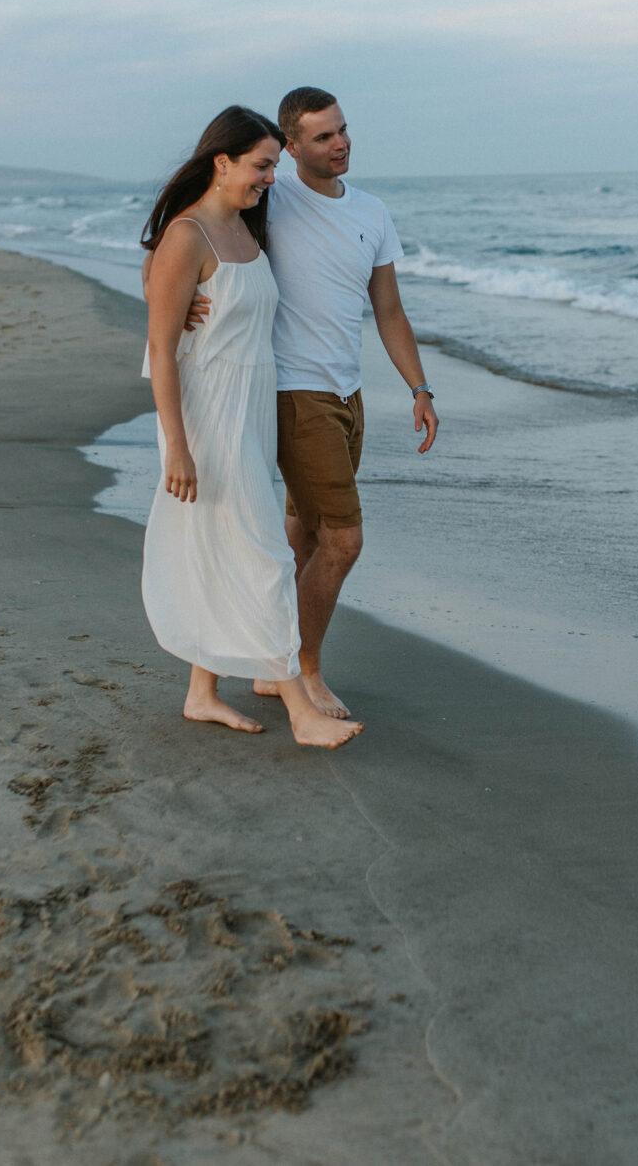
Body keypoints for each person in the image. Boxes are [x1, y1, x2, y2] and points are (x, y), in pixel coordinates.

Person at [187, 86, 439, 720]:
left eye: (344, 130)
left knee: (303, 534)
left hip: (347, 395)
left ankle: (269, 671)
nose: (341, 143)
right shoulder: (270, 198)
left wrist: (419, 387)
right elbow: (181, 235)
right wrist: (159, 295)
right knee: (343, 541)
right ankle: (301, 670)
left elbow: (388, 309)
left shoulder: (373, 212)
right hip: (294, 392)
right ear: (291, 145)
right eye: (323, 136)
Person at [140, 105, 364, 750]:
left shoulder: (244, 226)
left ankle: (201, 693)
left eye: (273, 165)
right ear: (223, 161)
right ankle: (300, 710)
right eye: (262, 165)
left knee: (225, 544)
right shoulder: (189, 236)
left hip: (249, 410)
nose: (271, 177)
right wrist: (177, 446)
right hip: (206, 417)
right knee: (262, 553)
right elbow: (160, 349)